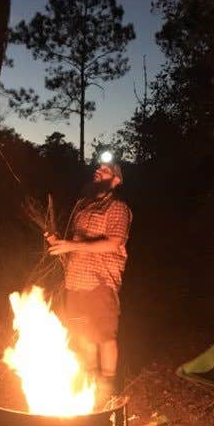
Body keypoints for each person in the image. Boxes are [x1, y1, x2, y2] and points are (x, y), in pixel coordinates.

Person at [46, 160, 132, 401]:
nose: (99, 172)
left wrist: (72, 244)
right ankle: (90, 386)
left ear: (116, 181)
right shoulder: (84, 207)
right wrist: (59, 244)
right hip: (75, 283)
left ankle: (107, 387)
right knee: (83, 335)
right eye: (98, 169)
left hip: (100, 282)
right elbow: (77, 245)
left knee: (105, 336)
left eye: (106, 171)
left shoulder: (117, 207)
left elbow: (114, 243)